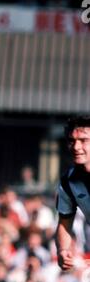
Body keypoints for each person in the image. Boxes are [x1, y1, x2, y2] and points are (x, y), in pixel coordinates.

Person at [55, 115, 90, 271]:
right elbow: (64, 223)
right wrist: (63, 250)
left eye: (83, 140)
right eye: (72, 141)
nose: (76, 147)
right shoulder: (68, 181)